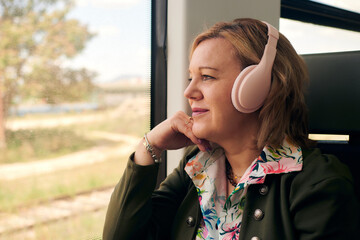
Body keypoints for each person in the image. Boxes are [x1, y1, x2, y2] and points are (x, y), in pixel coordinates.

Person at [102, 18, 359, 240]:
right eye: (191, 78)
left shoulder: (318, 185)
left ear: (257, 87)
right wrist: (149, 146)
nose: (189, 92)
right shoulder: (198, 166)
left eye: (208, 77)